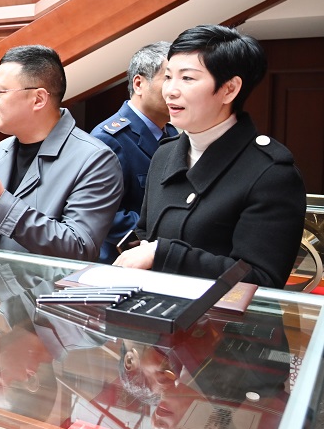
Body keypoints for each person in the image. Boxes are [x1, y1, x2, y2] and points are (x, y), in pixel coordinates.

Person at [114, 25, 305, 288]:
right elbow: (146, 233)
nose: (170, 90)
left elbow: (262, 280)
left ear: (229, 89)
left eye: (187, 78)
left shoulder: (272, 173)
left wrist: (163, 254)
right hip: (155, 306)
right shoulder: (166, 153)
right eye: (168, 76)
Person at [0, 45, 123, 262]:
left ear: (38, 99)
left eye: (0, 92)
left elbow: (79, 248)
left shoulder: (95, 160)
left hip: (45, 286)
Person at [90, 42, 177, 263]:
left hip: (161, 258)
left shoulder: (173, 133)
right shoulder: (109, 138)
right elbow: (104, 215)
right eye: (168, 78)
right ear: (139, 84)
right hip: (121, 263)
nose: (176, 90)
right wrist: (166, 232)